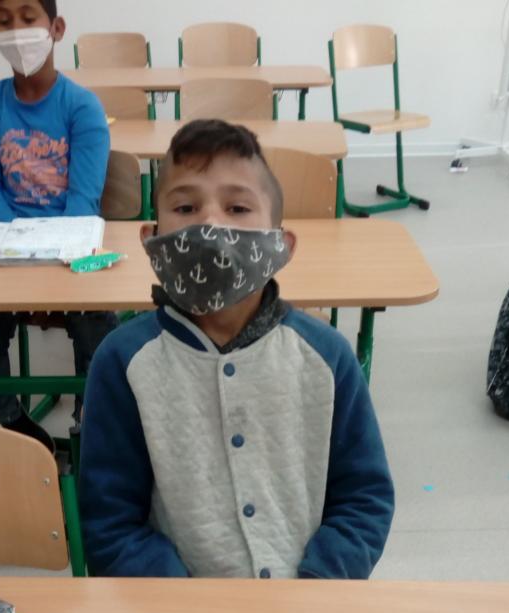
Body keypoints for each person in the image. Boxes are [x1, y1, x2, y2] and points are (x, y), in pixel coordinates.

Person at [79, 119, 394, 578]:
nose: (210, 223)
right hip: (175, 612)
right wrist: (187, 604)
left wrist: (318, 587)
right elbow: (110, 524)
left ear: (280, 246)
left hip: (311, 602)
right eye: (185, 207)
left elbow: (364, 499)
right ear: (152, 241)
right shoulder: (123, 363)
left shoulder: (327, 358)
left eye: (238, 207)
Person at [0, 0, 117, 449]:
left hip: (73, 245)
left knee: (98, 321)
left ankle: (91, 418)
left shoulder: (82, 106)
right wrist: (20, 253)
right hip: (7, 245)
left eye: (28, 17)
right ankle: (14, 423)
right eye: (4, 21)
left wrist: (50, 274)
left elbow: (83, 201)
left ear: (56, 27)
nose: (17, 30)